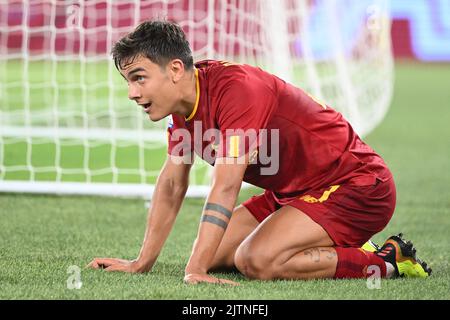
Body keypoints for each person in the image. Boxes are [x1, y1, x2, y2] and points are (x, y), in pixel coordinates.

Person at [87, 20, 431, 285]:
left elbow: (225, 186)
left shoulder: (237, 90)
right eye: (128, 81)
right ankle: (338, 243)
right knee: (223, 254)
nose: (132, 92)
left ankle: (388, 262)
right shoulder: (183, 108)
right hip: (294, 192)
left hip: (356, 185)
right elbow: (173, 185)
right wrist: (140, 263)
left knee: (256, 260)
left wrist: (195, 270)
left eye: (139, 78)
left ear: (175, 69)